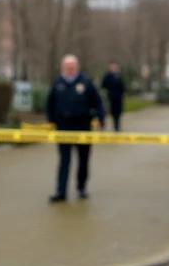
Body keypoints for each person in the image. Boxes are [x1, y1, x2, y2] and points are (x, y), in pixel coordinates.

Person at [46, 54, 105, 203]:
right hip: (63, 126)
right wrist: (51, 120)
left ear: (76, 67)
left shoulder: (86, 82)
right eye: (67, 67)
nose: (69, 70)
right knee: (64, 160)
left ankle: (81, 187)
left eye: (72, 67)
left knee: (83, 159)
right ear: (62, 67)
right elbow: (50, 103)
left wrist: (100, 117)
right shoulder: (57, 83)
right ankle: (61, 192)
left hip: (83, 125)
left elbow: (97, 102)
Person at [100, 62, 126, 132]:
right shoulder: (107, 76)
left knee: (117, 113)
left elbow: (122, 86)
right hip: (109, 98)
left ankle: (116, 127)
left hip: (118, 98)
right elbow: (103, 86)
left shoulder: (119, 76)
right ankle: (102, 125)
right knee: (106, 112)